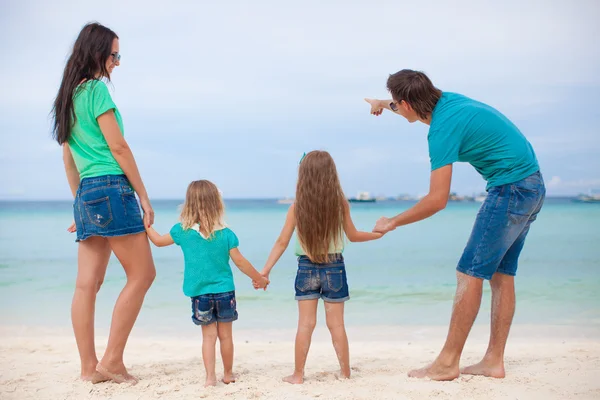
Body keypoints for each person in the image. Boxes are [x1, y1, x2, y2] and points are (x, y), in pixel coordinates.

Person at [365, 69, 545, 380]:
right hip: (532, 186)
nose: (396, 106)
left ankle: (448, 362)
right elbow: (406, 104)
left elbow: (437, 200)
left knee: (469, 272)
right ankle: (493, 361)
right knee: (501, 274)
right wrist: (382, 102)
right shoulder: (444, 101)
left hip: (510, 189)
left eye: (396, 103)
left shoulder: (441, 130)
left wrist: (392, 221)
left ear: (407, 103)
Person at [52, 22, 156, 384]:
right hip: (113, 186)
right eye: (114, 55)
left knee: (86, 284)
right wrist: (143, 196)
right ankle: (111, 361)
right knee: (143, 275)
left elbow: (69, 161)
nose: (117, 62)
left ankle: (88, 369)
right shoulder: (96, 90)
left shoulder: (67, 97)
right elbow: (118, 147)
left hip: (87, 191)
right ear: (97, 53)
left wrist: (80, 204)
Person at [258, 150, 383, 384]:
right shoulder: (340, 204)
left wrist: (265, 270)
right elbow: (353, 236)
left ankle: (298, 374)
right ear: (331, 174)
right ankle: (345, 373)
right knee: (336, 324)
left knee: (305, 324)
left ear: (304, 175)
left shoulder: (297, 207)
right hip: (334, 267)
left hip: (306, 267)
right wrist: (377, 234)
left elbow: (282, 242)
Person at [146, 180, 269, 387]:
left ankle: (210, 378)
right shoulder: (226, 233)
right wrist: (259, 278)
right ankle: (228, 374)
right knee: (226, 337)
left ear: (189, 205)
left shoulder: (181, 231)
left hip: (200, 293)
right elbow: (240, 262)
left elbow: (157, 241)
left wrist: (146, 224)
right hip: (225, 292)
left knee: (208, 337)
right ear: (217, 204)